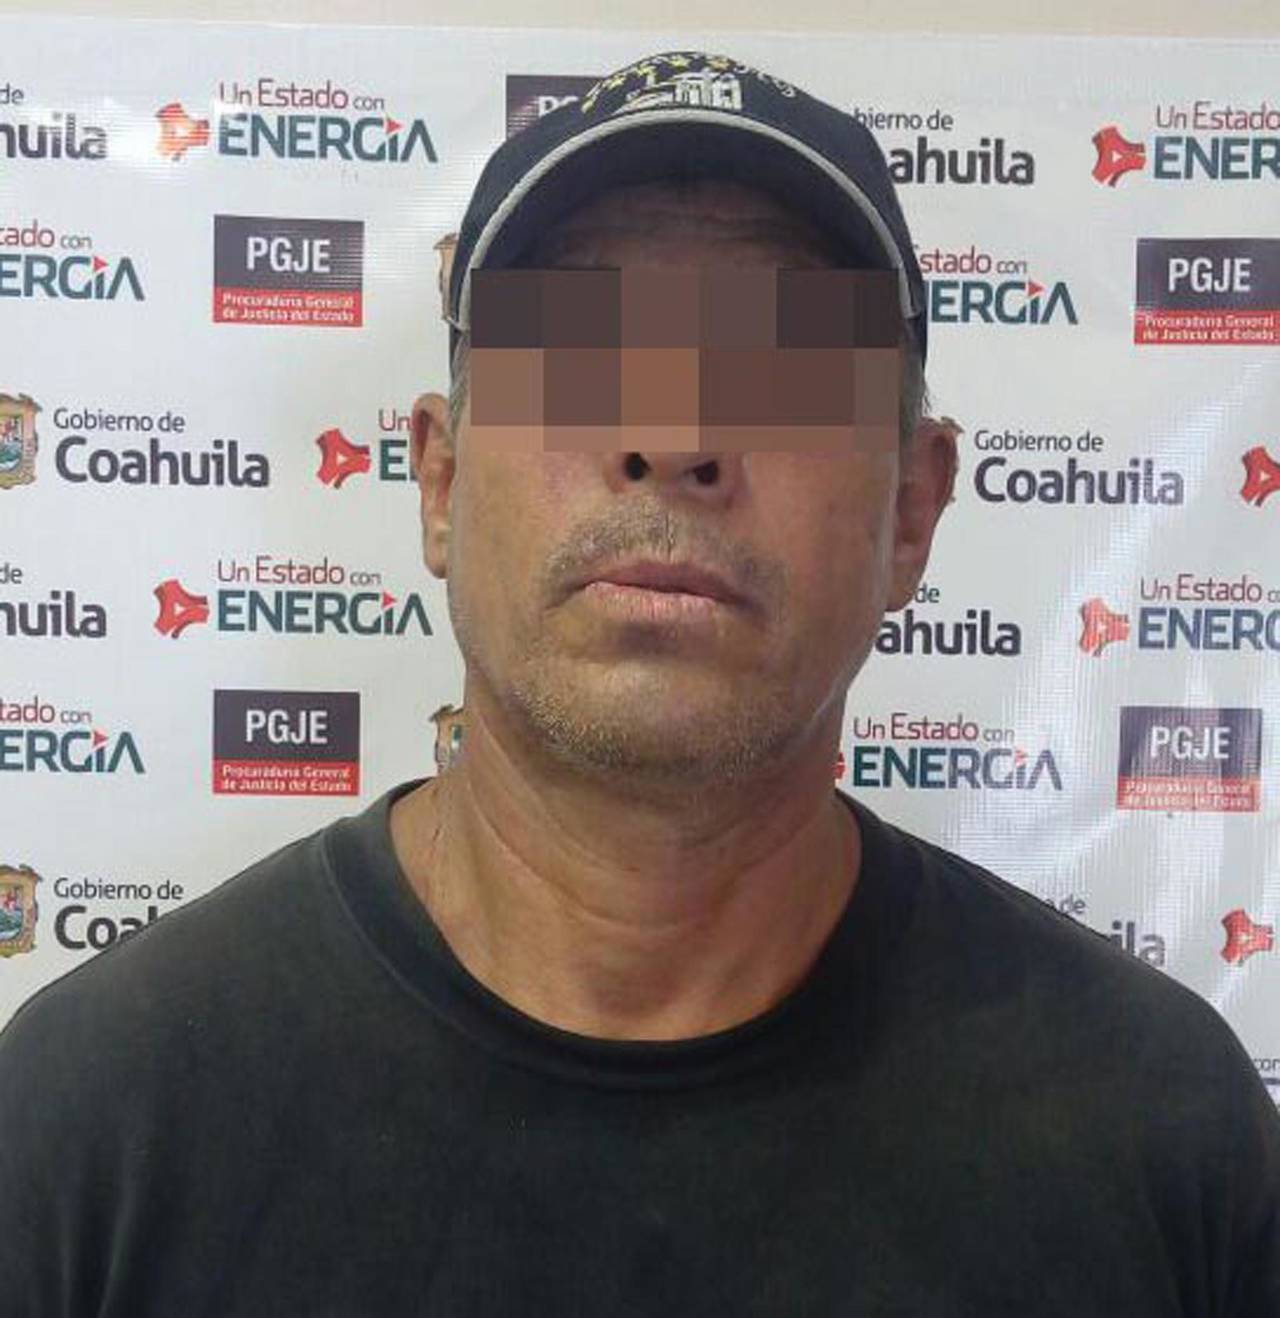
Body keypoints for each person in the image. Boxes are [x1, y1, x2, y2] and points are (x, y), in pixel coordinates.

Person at [2, 48, 1276, 1317]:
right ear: (440, 482)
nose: (671, 435)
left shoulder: (1164, 1137)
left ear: (910, 510)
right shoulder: (92, 1125)